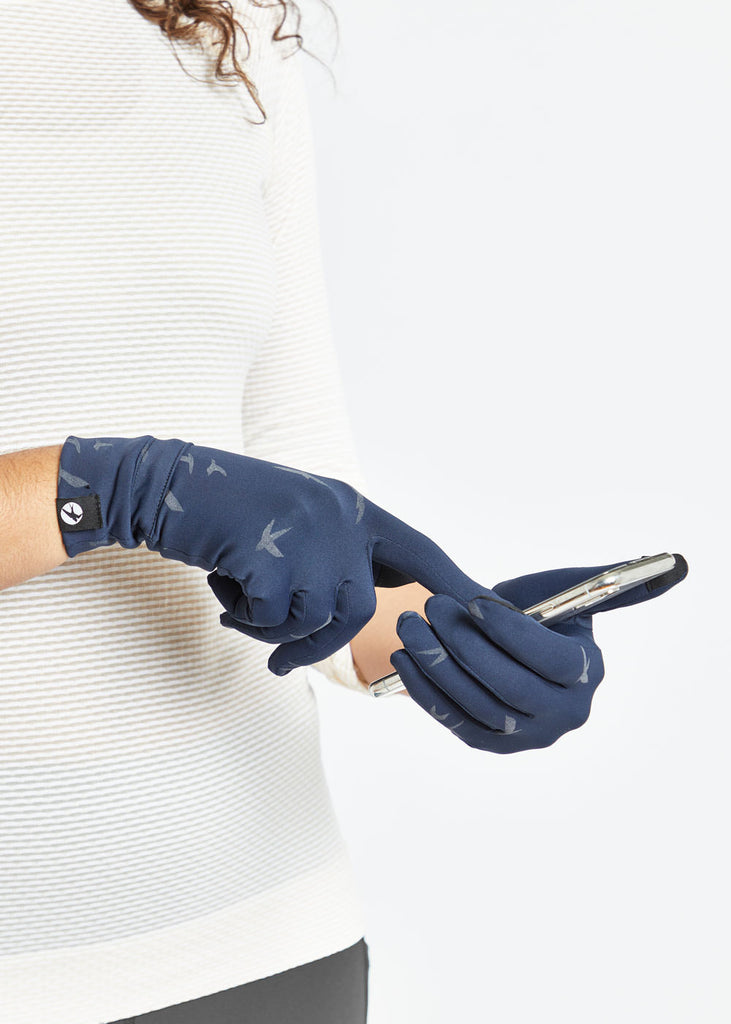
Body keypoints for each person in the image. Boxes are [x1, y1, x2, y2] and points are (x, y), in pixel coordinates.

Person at [0, 3, 684, 1023]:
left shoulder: (224, 30)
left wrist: (452, 638)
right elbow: (180, 494)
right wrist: (106, 489)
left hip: (262, 935)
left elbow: (293, 504)